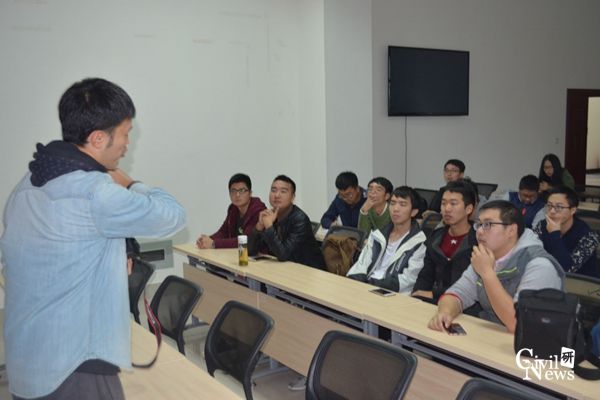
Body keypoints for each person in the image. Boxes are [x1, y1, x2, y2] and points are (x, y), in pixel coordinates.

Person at [0, 78, 186, 400]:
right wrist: (130, 183)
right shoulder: (95, 193)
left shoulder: (29, 183)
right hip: (75, 369)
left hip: (28, 362)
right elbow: (173, 216)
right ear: (99, 138)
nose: (127, 144)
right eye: (126, 133)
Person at [428, 200, 564, 333]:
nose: (479, 231)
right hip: (493, 335)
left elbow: (519, 324)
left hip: (533, 344)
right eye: (479, 224)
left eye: (488, 225)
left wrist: (487, 273)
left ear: (511, 230)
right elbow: (456, 294)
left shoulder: (540, 266)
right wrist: (445, 313)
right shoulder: (486, 257)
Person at [347, 186, 427, 293]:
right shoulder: (378, 235)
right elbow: (361, 265)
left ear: (413, 212)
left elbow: (407, 280)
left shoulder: (419, 242)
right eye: (392, 203)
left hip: (392, 293)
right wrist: (355, 281)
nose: (395, 209)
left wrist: (371, 284)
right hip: (367, 286)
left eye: (402, 204)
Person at [411, 180, 478, 303]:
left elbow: (471, 287)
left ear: (469, 209)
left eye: (453, 203)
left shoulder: (478, 241)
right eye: (443, 203)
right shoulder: (436, 236)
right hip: (431, 302)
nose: (447, 209)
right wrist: (417, 295)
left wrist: (433, 294)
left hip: (462, 305)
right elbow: (426, 274)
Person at [248, 175, 324, 269]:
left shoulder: (300, 219)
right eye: (273, 190)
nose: (277, 195)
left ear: (293, 197)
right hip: (285, 268)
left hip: (309, 270)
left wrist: (269, 226)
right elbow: (250, 251)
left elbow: (283, 255)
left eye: (283, 191)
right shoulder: (271, 216)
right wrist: (259, 226)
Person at [534, 187, 600, 278]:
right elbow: (531, 253)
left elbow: (567, 270)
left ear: (573, 210)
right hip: (548, 278)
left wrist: (554, 234)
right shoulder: (542, 226)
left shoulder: (588, 236)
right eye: (549, 205)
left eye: (559, 207)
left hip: (580, 283)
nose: (552, 211)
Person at [196, 173, 266, 249]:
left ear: (250, 193)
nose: (237, 195)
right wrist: (207, 240)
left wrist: (214, 243)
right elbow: (223, 232)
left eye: (242, 190)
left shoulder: (258, 211)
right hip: (236, 253)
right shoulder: (233, 208)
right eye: (233, 191)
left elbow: (245, 240)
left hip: (257, 254)